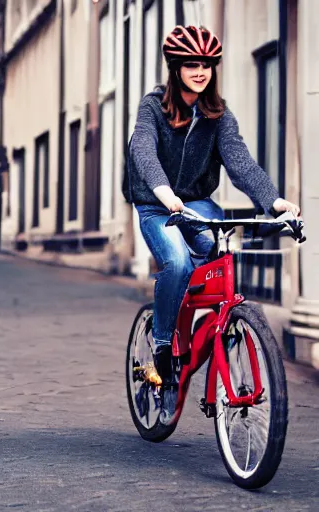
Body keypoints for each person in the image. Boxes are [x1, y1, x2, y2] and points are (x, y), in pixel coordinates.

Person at [127, 25, 300, 379]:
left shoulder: (218, 114)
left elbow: (241, 163)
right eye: (191, 64)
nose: (201, 71)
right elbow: (142, 150)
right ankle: (162, 343)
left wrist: (275, 201)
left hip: (196, 204)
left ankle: (217, 330)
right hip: (156, 205)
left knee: (217, 255)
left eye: (207, 64)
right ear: (176, 68)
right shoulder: (153, 108)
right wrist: (163, 191)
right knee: (176, 262)